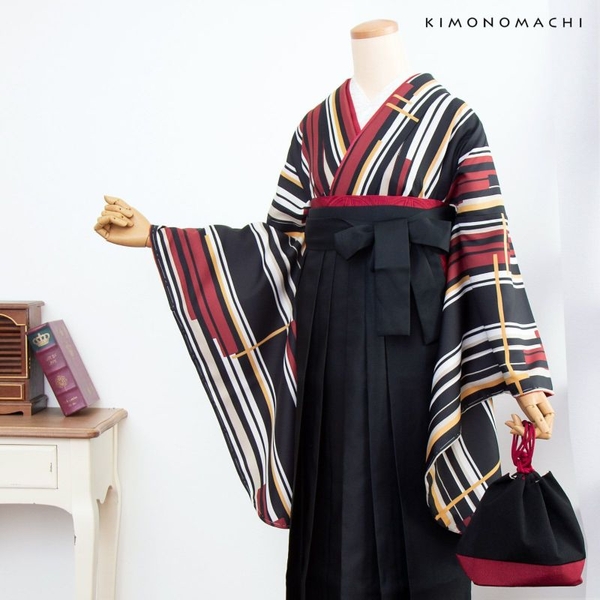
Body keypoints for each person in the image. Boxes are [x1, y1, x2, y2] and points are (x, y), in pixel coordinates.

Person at [95, 19, 555, 599]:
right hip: (327, 332)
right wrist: (159, 238)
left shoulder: (454, 119)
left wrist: (522, 372)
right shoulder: (315, 126)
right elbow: (281, 243)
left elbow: (486, 241)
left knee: (417, 494)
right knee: (332, 484)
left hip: (419, 335)